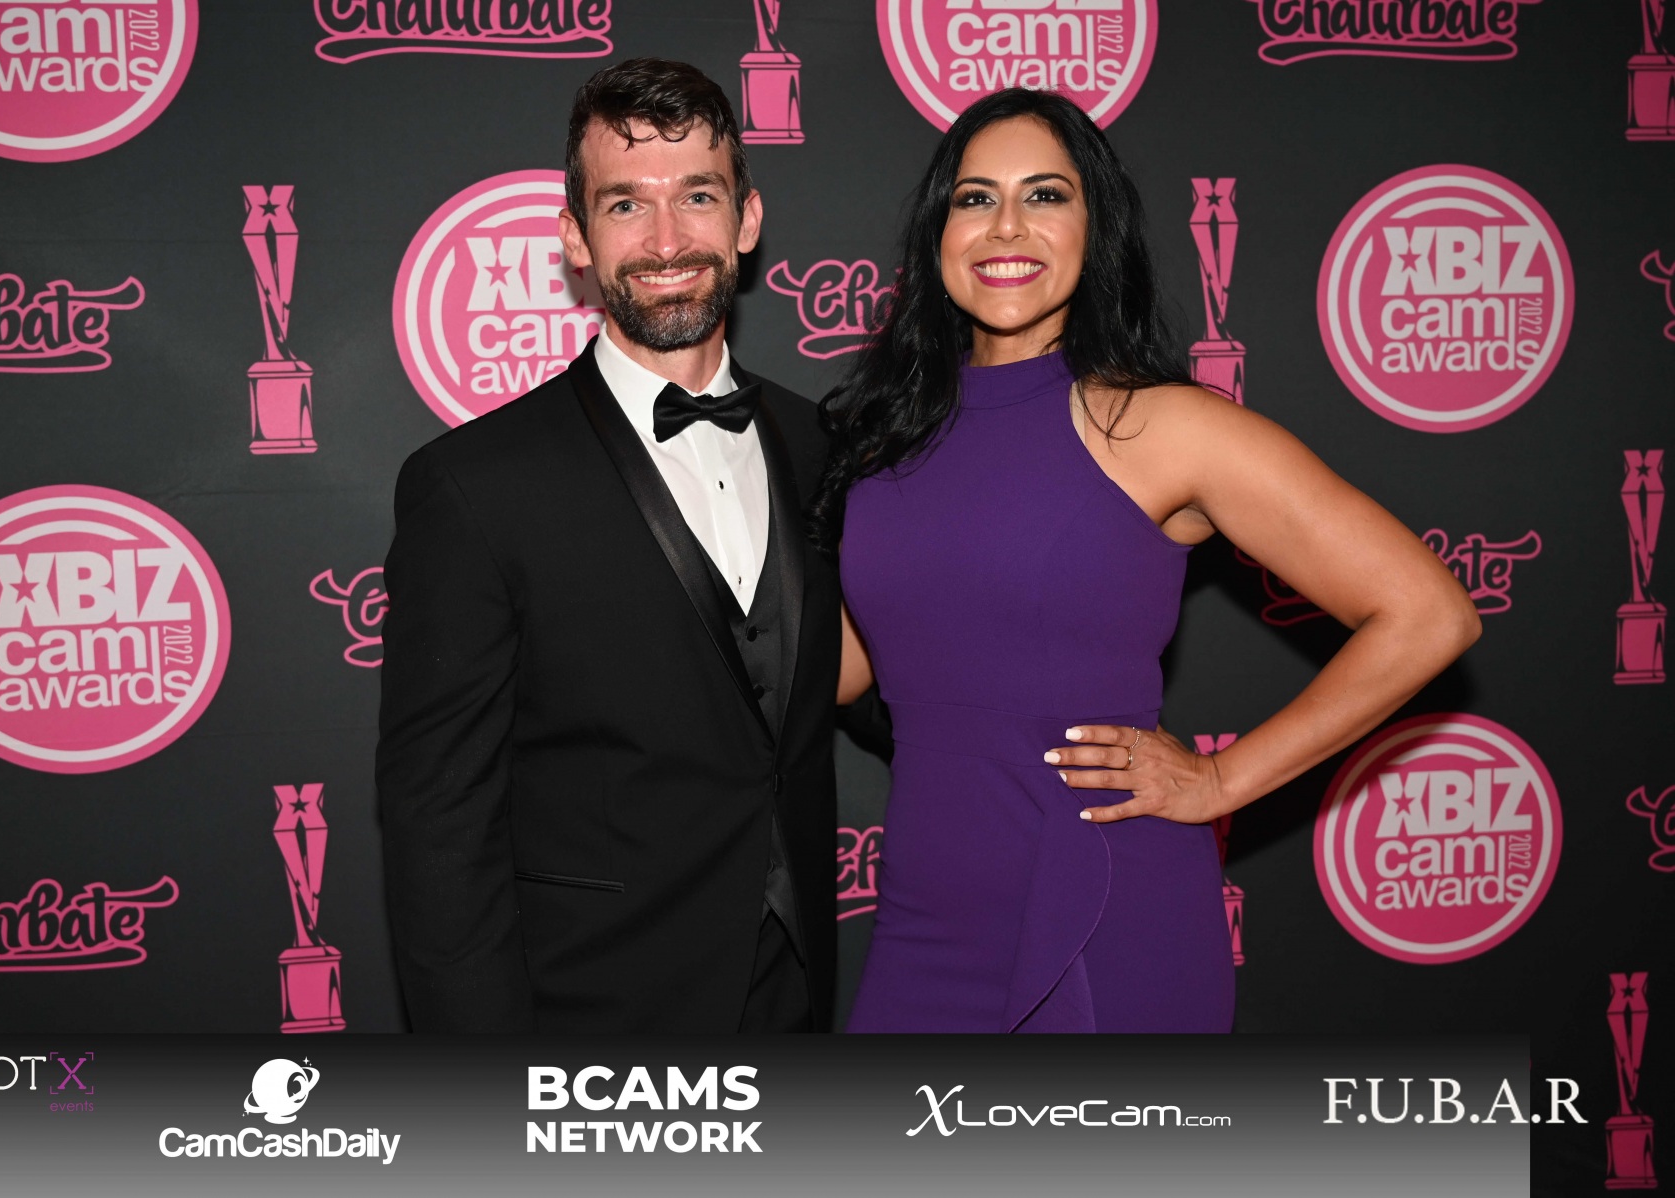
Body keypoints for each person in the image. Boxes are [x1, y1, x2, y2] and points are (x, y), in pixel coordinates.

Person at [819, 89, 1481, 1033]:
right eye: (975, 198)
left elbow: (1428, 614)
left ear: (1097, 230)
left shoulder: (1162, 426)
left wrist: (1221, 781)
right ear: (938, 234)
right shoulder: (886, 442)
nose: (1006, 226)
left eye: (1046, 195)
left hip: (1101, 906)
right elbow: (851, 668)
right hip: (925, 917)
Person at [376, 59, 840, 1033]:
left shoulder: (822, 446)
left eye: (698, 196)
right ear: (575, 238)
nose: (667, 240)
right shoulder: (474, 485)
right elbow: (438, 824)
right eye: (626, 204)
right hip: (590, 1015)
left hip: (794, 998)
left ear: (748, 219)